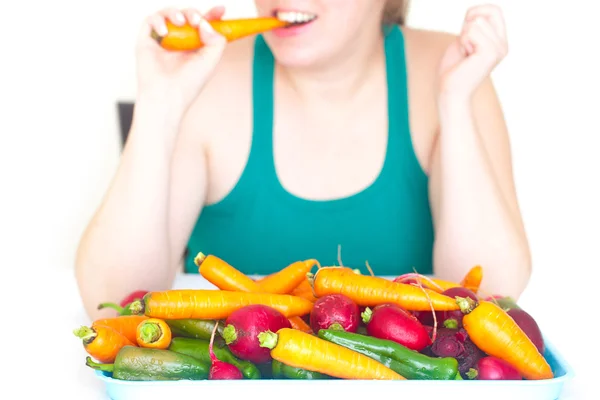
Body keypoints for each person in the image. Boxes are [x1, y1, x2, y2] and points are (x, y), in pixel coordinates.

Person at [75, 0, 532, 320]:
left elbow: (492, 299)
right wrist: (160, 105)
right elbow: (112, 304)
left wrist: (454, 103)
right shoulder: (205, 77)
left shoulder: (452, 69)